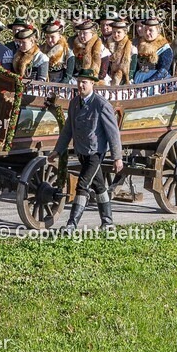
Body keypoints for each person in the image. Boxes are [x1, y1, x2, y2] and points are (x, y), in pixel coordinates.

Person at [48, 69, 124, 232]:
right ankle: (108, 223)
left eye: (84, 82)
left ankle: (71, 224)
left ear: (92, 84)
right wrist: (57, 150)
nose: (80, 85)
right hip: (81, 151)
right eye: (78, 81)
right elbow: (68, 129)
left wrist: (118, 157)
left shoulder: (101, 104)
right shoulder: (75, 103)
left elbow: (113, 133)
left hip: (95, 152)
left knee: (82, 185)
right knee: (99, 186)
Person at [133, 18, 173, 84]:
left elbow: (163, 71)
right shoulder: (139, 46)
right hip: (139, 79)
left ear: (157, 31)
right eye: (145, 30)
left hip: (157, 82)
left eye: (150, 30)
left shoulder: (164, 48)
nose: (147, 33)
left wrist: (147, 83)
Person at [107, 19, 138, 86]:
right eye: (114, 32)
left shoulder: (132, 49)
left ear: (125, 33)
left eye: (119, 32)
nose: (116, 35)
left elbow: (132, 70)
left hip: (126, 81)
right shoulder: (108, 47)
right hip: (110, 79)